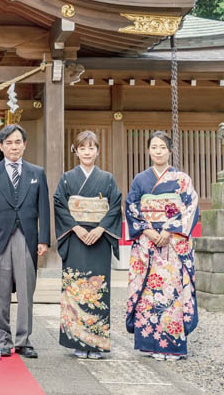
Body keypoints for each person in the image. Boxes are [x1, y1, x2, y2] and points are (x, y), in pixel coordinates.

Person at [0, 123, 50, 358]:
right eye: (8, 142)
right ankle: (4, 339)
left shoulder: (36, 173)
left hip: (27, 237)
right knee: (1, 291)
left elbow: (44, 209)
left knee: (27, 290)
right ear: (1, 146)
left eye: (18, 142)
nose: (14, 146)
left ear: (25, 145)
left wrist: (44, 239)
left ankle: (23, 339)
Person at [125, 131, 199, 360]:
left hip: (172, 246)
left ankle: (172, 344)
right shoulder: (140, 180)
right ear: (149, 151)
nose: (158, 151)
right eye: (154, 147)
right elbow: (131, 207)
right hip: (147, 244)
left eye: (162, 147)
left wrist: (169, 230)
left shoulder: (182, 179)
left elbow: (190, 207)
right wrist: (147, 230)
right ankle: (150, 343)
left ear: (170, 151)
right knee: (149, 292)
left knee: (172, 292)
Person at [53, 130, 122, 360]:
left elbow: (115, 206)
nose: (87, 152)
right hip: (76, 238)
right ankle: (78, 342)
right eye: (82, 148)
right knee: (75, 289)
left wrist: (101, 228)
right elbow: (60, 204)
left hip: (100, 239)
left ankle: (97, 343)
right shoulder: (66, 178)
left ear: (97, 151)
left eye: (91, 148)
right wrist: (76, 227)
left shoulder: (107, 179)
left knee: (98, 291)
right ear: (76, 151)